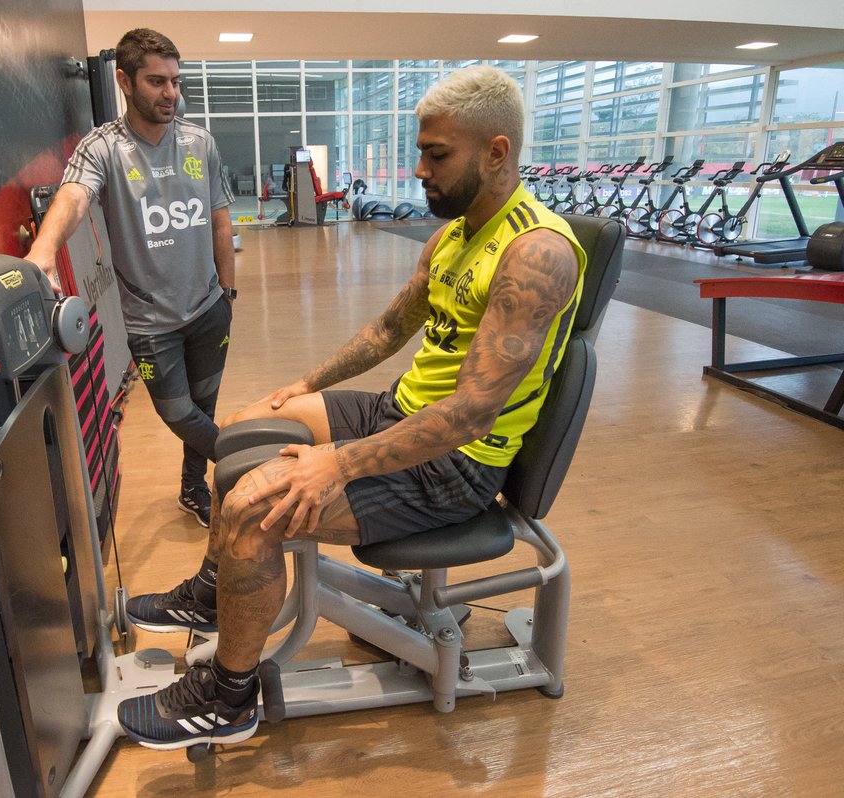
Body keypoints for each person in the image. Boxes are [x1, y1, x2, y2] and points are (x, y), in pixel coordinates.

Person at [115, 65, 588, 751]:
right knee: (240, 427)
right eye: (421, 152)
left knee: (250, 507)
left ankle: (228, 699)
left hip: (454, 463)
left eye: (437, 155)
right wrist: (302, 385)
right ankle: (215, 592)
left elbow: (469, 416)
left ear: (496, 152)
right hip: (400, 412)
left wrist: (336, 463)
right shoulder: (454, 236)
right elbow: (388, 330)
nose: (419, 170)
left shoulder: (536, 255)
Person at [25, 28, 236, 527]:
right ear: (124, 81)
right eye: (156, 82)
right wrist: (44, 250)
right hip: (149, 325)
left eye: (175, 81)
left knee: (204, 405)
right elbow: (74, 196)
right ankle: (246, 462)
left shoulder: (200, 142)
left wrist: (228, 293)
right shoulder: (103, 148)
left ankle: (194, 489)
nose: (170, 93)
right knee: (179, 413)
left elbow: (220, 219)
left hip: (209, 309)